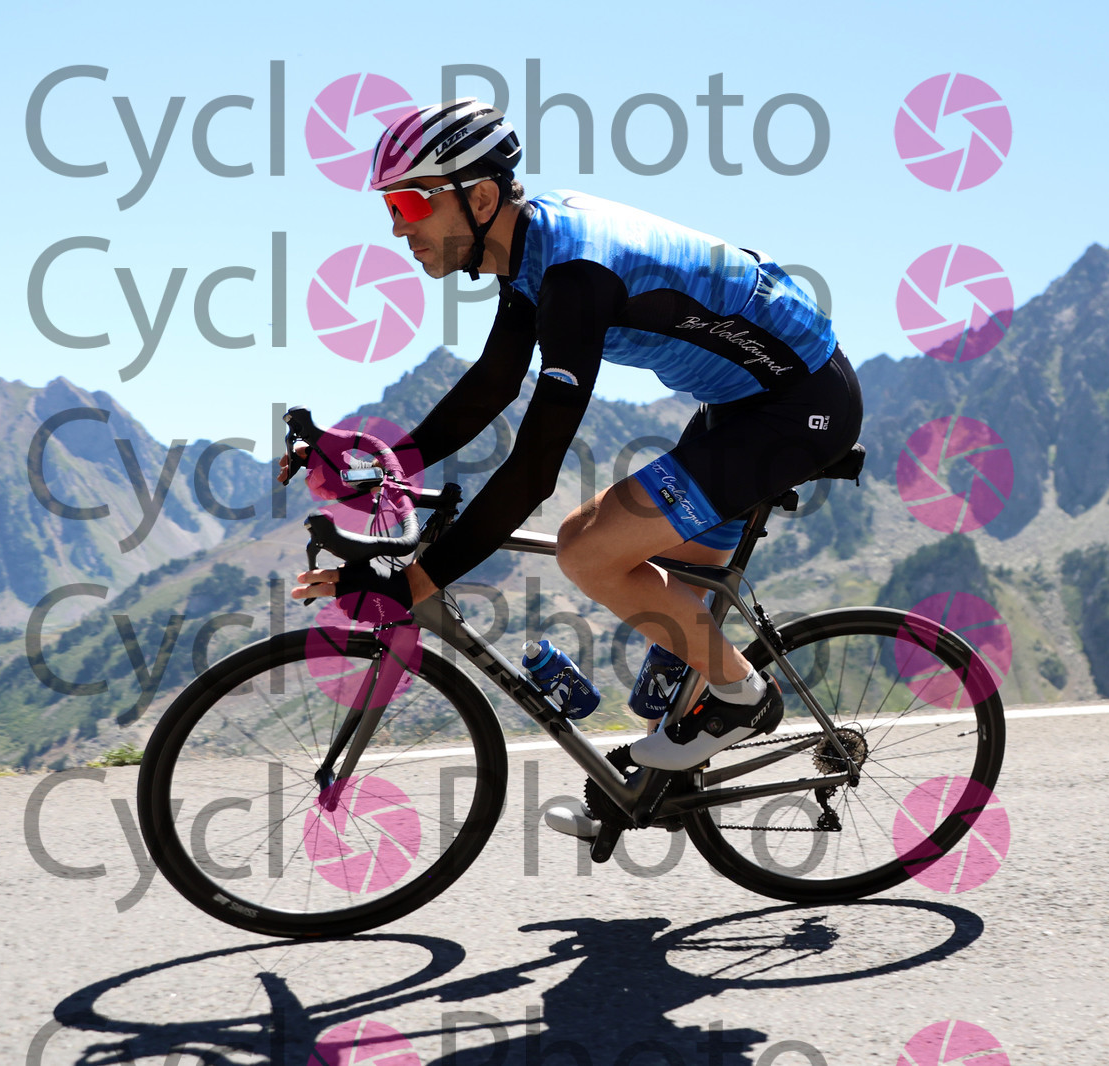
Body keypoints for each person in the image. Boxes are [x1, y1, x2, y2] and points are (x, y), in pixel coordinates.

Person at [287, 98, 862, 837]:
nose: (398, 227)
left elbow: (533, 468)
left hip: (798, 406)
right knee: (674, 638)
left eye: (409, 203)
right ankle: (649, 791)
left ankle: (744, 701)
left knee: (587, 546)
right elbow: (493, 383)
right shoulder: (529, 251)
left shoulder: (575, 277)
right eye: (389, 208)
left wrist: (415, 582)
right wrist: (386, 461)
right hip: (742, 403)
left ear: (480, 198)